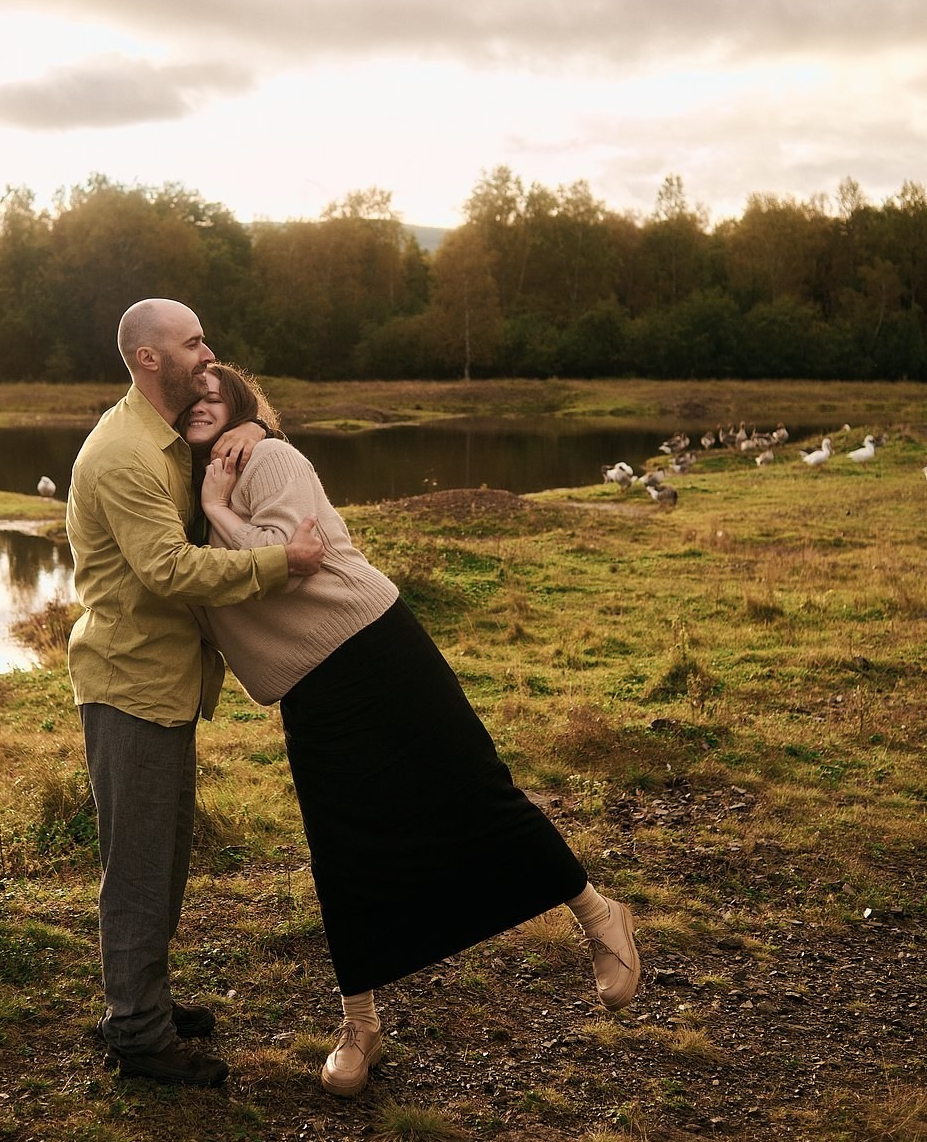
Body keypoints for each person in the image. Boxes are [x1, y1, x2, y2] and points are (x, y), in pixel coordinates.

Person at [183, 364, 641, 1097]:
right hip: (309, 686)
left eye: (217, 396)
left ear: (239, 405)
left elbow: (287, 562)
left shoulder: (267, 458)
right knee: (341, 848)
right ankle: (359, 1023)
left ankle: (598, 915)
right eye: (190, 397)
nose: (202, 405)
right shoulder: (187, 481)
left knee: (472, 790)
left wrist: (219, 499)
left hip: (372, 647)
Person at [65, 300, 325, 1087]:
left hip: (167, 681)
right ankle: (139, 1037)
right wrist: (283, 563)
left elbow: (224, 445)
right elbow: (169, 570)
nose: (207, 353)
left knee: (165, 855)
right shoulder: (121, 455)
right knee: (138, 866)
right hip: (130, 682)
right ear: (149, 359)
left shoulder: (164, 437)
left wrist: (256, 431)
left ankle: (145, 998)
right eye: (192, 343)